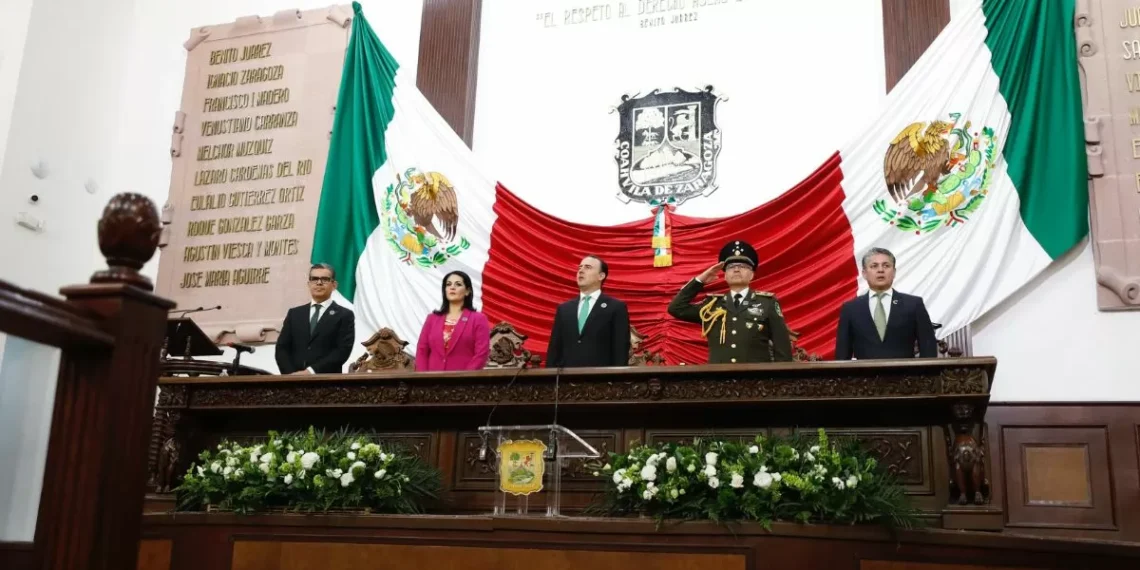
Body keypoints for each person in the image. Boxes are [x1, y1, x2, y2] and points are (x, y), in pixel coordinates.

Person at [668, 240, 793, 363]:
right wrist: (700, 280)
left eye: (743, 266)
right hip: (718, 381)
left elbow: (783, 349)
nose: (737, 269)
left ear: (752, 275)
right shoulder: (712, 305)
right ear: (725, 275)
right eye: (731, 267)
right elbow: (676, 308)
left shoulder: (767, 303)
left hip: (757, 381)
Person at [834, 247, 938, 360]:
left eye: (886, 265)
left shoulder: (913, 304)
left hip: (906, 376)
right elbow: (842, 354)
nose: (880, 270)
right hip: (863, 377)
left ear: (894, 272)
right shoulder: (850, 308)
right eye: (874, 266)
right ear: (864, 273)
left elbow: (928, 348)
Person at [546, 255, 631, 368]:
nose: (581, 270)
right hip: (566, 379)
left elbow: (620, 349)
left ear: (601, 276)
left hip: (601, 380)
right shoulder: (564, 309)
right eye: (580, 267)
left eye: (588, 267)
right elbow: (554, 349)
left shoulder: (616, 307)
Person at [275, 263, 355, 374]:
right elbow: (282, 348)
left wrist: (310, 372)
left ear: (334, 285)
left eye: (325, 279)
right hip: (292, 382)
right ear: (309, 284)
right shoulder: (295, 314)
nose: (319, 283)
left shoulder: (344, 315)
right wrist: (291, 375)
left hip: (327, 382)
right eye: (314, 279)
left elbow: (342, 351)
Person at [415, 270, 491, 371]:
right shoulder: (432, 319)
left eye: (458, 284)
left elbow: (481, 354)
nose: (452, 287)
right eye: (448, 284)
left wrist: (464, 378)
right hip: (432, 381)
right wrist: (423, 379)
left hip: (464, 382)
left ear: (467, 291)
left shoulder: (478, 319)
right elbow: (422, 351)